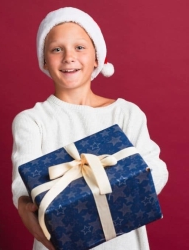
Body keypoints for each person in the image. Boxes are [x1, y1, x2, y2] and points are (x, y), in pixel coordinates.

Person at [11, 7, 169, 250]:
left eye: (80, 47)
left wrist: (91, 204)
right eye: (56, 49)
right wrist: (25, 204)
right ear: (44, 60)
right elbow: (24, 183)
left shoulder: (126, 114)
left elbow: (156, 170)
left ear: (97, 57)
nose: (68, 57)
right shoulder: (32, 120)